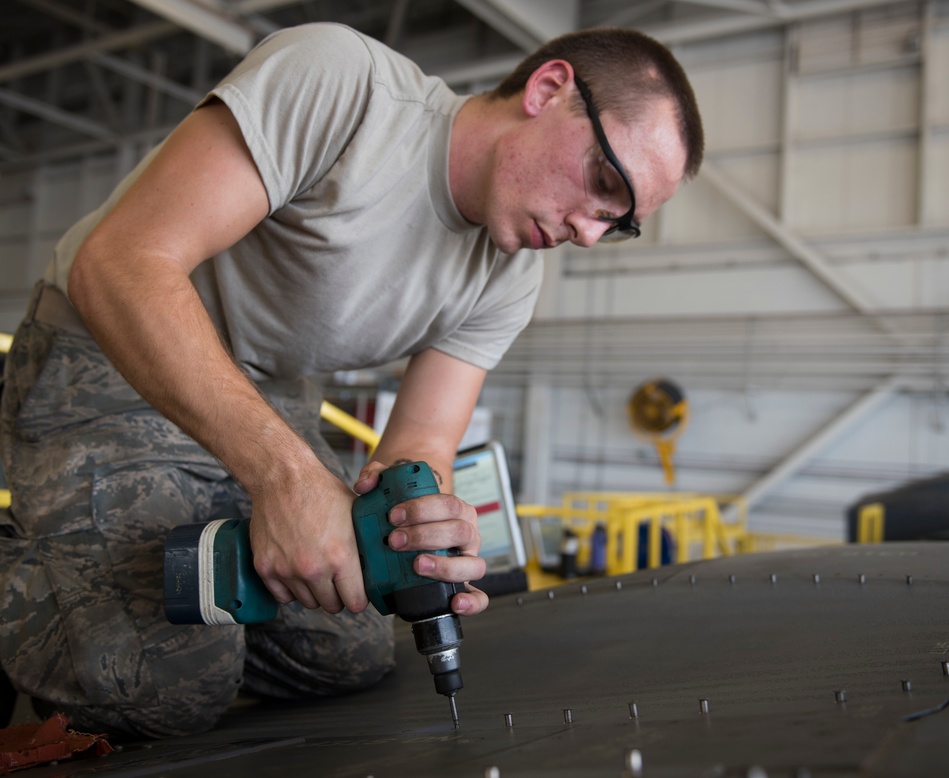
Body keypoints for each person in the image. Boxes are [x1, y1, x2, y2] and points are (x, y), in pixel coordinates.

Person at [0, 22, 703, 739]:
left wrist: (425, 539)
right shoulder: (345, 88)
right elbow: (118, 262)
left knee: (351, 652)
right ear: (549, 90)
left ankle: (132, 598)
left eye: (619, 222)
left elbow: (417, 453)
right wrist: (284, 479)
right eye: (603, 182)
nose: (588, 232)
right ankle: (44, 573)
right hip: (108, 354)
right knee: (157, 688)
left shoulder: (511, 277)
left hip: (268, 396)